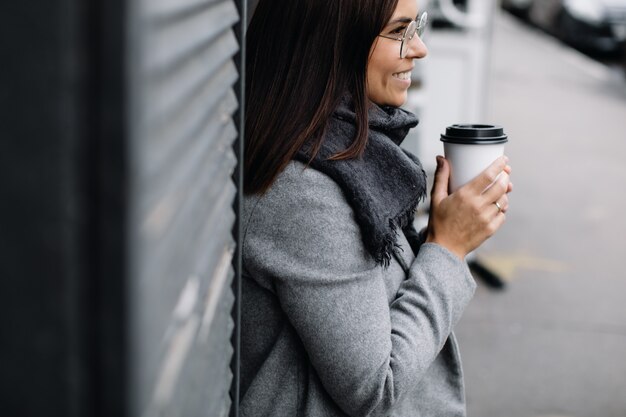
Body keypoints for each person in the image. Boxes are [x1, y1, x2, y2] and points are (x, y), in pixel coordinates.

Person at [240, 0, 512, 415]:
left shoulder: (340, 151)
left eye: (416, 26)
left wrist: (444, 232)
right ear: (334, 41)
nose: (419, 48)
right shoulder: (305, 192)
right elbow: (376, 387)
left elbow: (365, 288)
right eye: (400, 31)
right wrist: (449, 249)